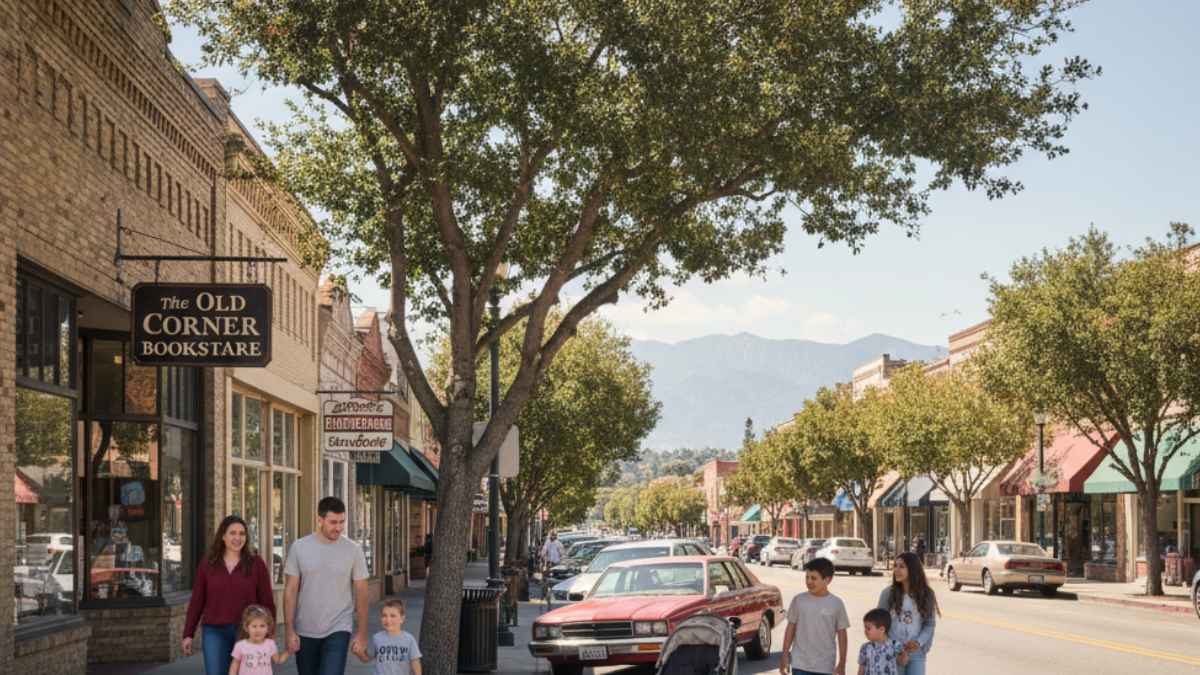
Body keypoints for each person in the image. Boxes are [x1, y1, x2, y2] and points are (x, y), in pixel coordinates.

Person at [284, 497, 370, 675]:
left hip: (339, 626)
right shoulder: (299, 548)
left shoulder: (353, 550)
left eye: (341, 522)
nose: (338, 528)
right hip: (305, 628)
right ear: (320, 520)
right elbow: (291, 590)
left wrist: (362, 634)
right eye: (333, 522)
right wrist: (289, 630)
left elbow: (361, 591)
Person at [182, 515, 276, 675]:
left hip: (248, 632)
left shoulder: (256, 564)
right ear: (223, 536)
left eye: (242, 534)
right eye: (233, 533)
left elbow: (266, 601)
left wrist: (270, 633)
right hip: (214, 632)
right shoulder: (208, 564)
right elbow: (197, 601)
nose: (237, 538)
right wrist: (188, 634)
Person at [779, 558, 850, 675]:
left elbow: (842, 634)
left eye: (814, 578)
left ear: (827, 580)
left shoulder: (836, 604)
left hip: (825, 665)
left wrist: (842, 663)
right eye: (807, 577)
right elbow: (790, 628)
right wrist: (784, 655)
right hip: (799, 663)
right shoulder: (799, 601)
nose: (809, 582)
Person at [877, 552, 939, 675]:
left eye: (902, 566)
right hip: (893, 652)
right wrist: (894, 649)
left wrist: (918, 642)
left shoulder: (927, 594)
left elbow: (929, 624)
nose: (897, 570)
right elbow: (879, 625)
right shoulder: (888, 593)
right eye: (896, 566)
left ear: (913, 569)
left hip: (916, 652)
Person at [355, 598, 422, 675]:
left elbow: (415, 662)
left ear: (402, 619)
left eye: (392, 616)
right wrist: (359, 653)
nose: (388, 619)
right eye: (384, 615)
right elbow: (366, 659)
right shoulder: (377, 638)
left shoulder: (409, 639)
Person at [231, 605, 289, 675]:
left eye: (262, 626)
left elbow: (277, 660)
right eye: (254, 626)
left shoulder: (270, 644)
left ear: (268, 627)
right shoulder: (240, 646)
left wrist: (289, 652)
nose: (258, 630)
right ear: (246, 627)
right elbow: (235, 665)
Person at [857, 608, 908, 675]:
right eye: (865, 628)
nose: (865, 631)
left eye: (868, 628)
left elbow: (902, 662)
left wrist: (904, 654)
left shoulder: (895, 645)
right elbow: (861, 669)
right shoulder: (865, 648)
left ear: (882, 629)